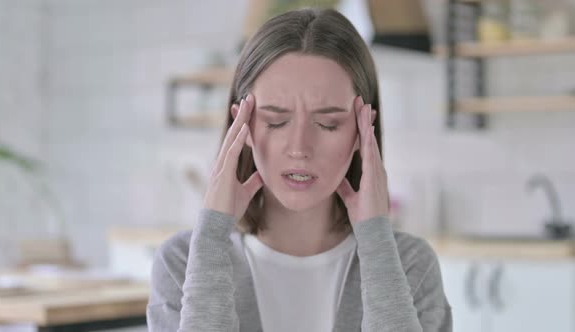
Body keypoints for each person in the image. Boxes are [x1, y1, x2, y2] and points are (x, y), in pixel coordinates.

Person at [147, 8, 452, 332]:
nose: (299, 148)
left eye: (328, 123)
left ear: (362, 131)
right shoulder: (183, 264)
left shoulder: (410, 266)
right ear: (243, 126)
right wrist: (212, 233)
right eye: (275, 121)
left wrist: (377, 239)